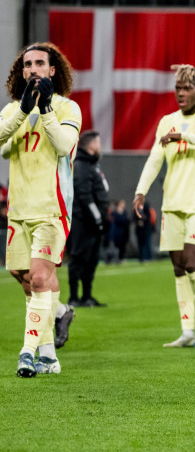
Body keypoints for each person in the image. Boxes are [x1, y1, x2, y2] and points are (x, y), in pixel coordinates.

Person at [133, 64, 195, 348]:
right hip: (172, 203)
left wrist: (185, 136)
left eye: (187, 88)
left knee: (192, 263)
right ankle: (187, 330)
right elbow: (155, 158)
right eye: (178, 88)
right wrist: (141, 191)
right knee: (178, 268)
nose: (181, 93)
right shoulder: (167, 121)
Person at [0, 42, 82, 376]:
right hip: (18, 211)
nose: (33, 68)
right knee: (25, 280)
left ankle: (28, 352)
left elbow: (64, 146)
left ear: (52, 70)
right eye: (27, 64)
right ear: (22, 72)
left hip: (52, 209)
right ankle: (50, 348)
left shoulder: (67, 108)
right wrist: (24, 109)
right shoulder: (12, 111)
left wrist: (45, 108)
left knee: (39, 278)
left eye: (40, 63)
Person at [67, 130, 110, 307]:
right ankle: (74, 298)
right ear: (91, 146)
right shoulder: (82, 166)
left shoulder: (93, 165)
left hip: (94, 223)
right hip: (83, 222)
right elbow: (84, 196)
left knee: (91, 261)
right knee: (78, 259)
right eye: (99, 143)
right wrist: (98, 218)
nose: (100, 147)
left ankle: (87, 296)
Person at [108, 199, 130, 264]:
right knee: (115, 246)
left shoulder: (125, 212)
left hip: (124, 232)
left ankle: (121, 258)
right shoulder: (114, 212)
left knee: (122, 246)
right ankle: (114, 258)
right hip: (117, 232)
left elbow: (127, 220)